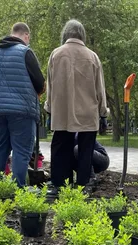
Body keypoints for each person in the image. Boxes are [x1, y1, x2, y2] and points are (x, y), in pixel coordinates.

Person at [44, 19, 108, 194]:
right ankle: (83, 185)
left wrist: (49, 108)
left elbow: (50, 86)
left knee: (60, 147)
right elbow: (99, 89)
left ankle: (59, 185)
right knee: (85, 150)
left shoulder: (56, 55)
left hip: (62, 112)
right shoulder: (92, 56)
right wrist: (103, 113)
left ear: (65, 34)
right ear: (82, 35)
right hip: (88, 112)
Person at [0, 22, 45, 187]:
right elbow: (40, 83)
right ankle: (18, 190)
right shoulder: (26, 52)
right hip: (22, 111)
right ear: (26, 36)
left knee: (0, 148)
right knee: (21, 151)